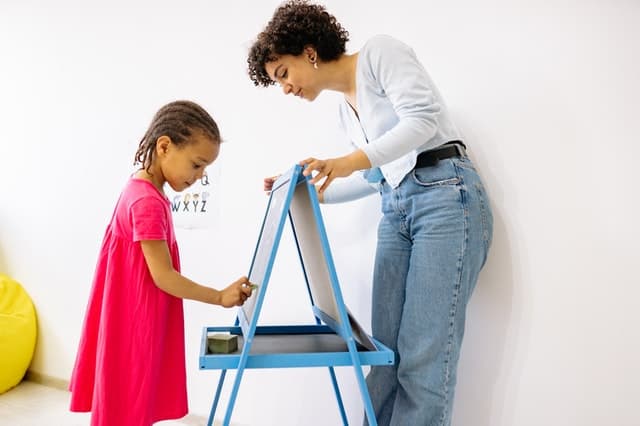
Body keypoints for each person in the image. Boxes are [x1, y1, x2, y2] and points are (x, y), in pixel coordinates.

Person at [247, 2, 493, 425]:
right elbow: (380, 173)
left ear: (308, 51)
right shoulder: (346, 109)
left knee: (423, 360)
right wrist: (311, 193)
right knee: (383, 356)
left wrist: (344, 162)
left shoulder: (380, 53)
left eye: (283, 74)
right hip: (396, 208)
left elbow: (421, 120)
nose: (285, 88)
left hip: (445, 197)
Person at [69, 100, 254, 426]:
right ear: (165, 146)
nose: (199, 176)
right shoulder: (147, 202)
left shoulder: (139, 189)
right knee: (132, 400)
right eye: (196, 165)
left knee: (129, 401)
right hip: (135, 320)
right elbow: (164, 277)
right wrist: (219, 296)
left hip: (128, 313)